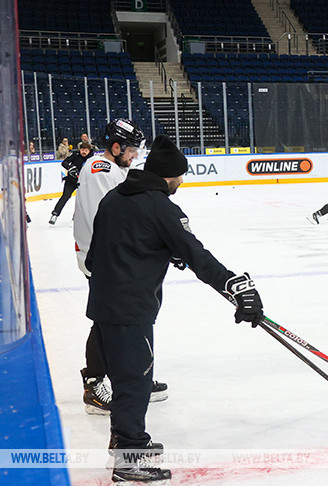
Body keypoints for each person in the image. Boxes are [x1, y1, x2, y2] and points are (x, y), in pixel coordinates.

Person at [86, 134, 265, 483]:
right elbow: (196, 254)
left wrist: (158, 249)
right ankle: (129, 459)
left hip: (104, 303)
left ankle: (125, 441)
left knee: (127, 376)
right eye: (181, 176)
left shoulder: (113, 197)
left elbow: (96, 254)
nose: (182, 181)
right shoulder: (161, 207)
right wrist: (234, 285)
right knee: (135, 381)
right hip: (130, 309)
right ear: (169, 176)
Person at [73, 119, 167, 415]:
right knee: (107, 321)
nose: (135, 156)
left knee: (122, 319)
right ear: (115, 147)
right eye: (131, 150)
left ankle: (132, 378)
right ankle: (94, 383)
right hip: (102, 259)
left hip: (109, 257)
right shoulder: (102, 170)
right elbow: (115, 218)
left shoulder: (111, 169)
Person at [50, 142, 93, 225]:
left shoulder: (92, 159)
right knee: (65, 196)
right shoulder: (75, 155)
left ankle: (76, 216)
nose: (83, 152)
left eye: (86, 150)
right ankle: (55, 214)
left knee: (83, 200)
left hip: (84, 182)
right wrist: (70, 168)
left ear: (89, 151)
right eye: (82, 150)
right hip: (71, 180)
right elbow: (64, 162)